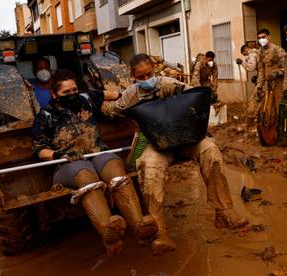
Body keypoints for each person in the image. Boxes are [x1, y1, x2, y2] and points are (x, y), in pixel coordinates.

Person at [102, 54, 248, 255]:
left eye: (149, 74)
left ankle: (224, 211)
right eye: (141, 77)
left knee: (211, 151)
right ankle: (161, 232)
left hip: (187, 136)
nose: (147, 80)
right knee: (148, 167)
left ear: (155, 70)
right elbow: (112, 111)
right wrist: (100, 98)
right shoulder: (130, 95)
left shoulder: (168, 84)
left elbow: (194, 97)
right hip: (158, 143)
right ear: (133, 76)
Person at [31, 70, 158, 255]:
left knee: (116, 170)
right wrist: (58, 155)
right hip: (68, 163)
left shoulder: (86, 98)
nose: (72, 94)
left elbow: (111, 94)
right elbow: (39, 149)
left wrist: (130, 96)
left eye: (74, 89)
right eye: (66, 92)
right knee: (86, 175)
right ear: (54, 94)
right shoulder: (45, 116)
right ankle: (108, 232)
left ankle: (139, 227)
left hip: (98, 153)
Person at [255, 29, 286, 111]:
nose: (261, 39)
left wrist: (277, 73)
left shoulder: (278, 50)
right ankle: (270, 123)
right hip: (267, 82)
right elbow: (261, 70)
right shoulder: (260, 52)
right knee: (267, 106)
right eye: (259, 38)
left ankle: (281, 123)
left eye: (263, 37)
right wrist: (259, 86)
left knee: (279, 104)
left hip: (278, 82)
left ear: (268, 37)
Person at [236, 44, 261, 124]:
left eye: (245, 54)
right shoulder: (258, 52)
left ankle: (250, 120)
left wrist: (242, 62)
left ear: (246, 50)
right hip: (263, 78)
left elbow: (251, 67)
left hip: (264, 81)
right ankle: (258, 117)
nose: (246, 56)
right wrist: (257, 76)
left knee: (253, 100)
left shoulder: (252, 54)